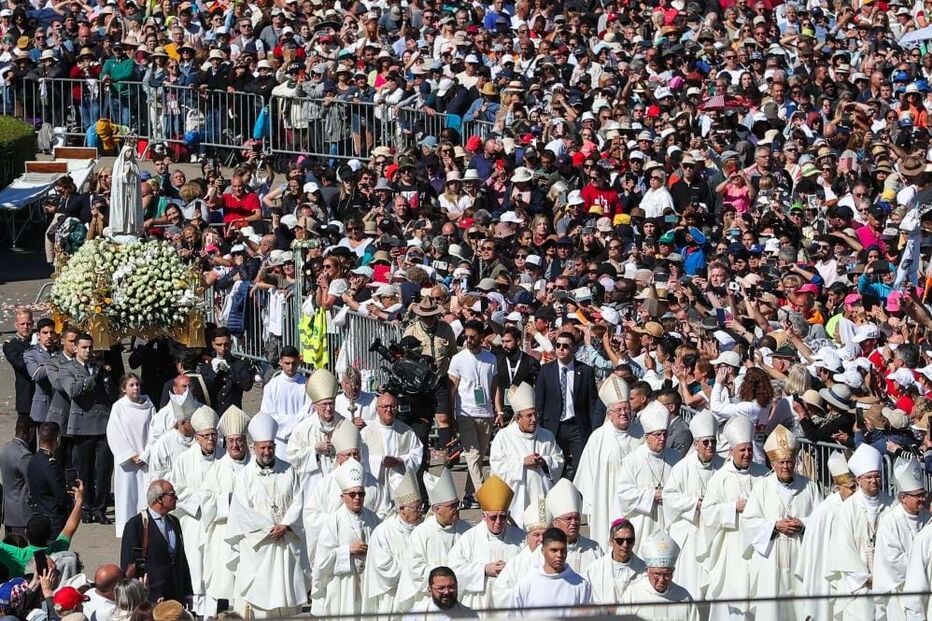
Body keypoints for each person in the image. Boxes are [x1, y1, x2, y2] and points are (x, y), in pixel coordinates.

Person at [227, 413, 309, 618]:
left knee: (289, 603)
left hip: (286, 543)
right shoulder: (244, 477)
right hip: (260, 547)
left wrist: (286, 525)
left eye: (270, 447)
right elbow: (241, 512)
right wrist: (267, 530)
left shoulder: (289, 471)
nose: (267, 451)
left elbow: (299, 501)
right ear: (253, 448)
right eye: (262, 447)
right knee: (260, 605)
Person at [742, 425, 821, 620]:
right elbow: (749, 522)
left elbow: (822, 520)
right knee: (772, 611)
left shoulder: (809, 487)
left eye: (789, 462)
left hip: (801, 556)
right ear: (773, 463)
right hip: (771, 558)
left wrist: (803, 525)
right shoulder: (762, 487)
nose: (786, 466)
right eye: (781, 462)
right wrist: (775, 526)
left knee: (800, 608)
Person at [699, 416, 768, 621]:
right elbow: (708, 512)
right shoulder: (720, 478)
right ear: (731, 451)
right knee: (731, 597)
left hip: (758, 545)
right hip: (732, 546)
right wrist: (732, 508)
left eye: (749, 449)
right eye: (742, 450)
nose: (747, 454)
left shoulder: (763, 475)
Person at [827, 442, 895, 621]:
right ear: (858, 480)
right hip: (858, 585)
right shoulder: (848, 508)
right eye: (869, 477)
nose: (874, 481)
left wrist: (884, 576)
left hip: (887, 582)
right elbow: (844, 548)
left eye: (877, 476)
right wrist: (865, 578)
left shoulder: (891, 505)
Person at [661, 410, 723, 601]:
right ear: (696, 444)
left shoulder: (723, 466)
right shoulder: (682, 467)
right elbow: (669, 496)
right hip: (692, 533)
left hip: (716, 533)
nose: (710, 445)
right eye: (706, 442)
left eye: (713, 441)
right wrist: (694, 503)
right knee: (692, 582)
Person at [574, 376, 644, 544]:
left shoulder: (641, 434)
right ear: (609, 414)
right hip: (606, 499)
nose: (623, 413)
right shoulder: (598, 437)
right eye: (618, 410)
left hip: (636, 500)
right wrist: (590, 505)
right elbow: (587, 474)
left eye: (626, 408)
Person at [166, 407, 221, 617]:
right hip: (194, 521)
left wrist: (215, 504)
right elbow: (177, 489)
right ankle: (197, 609)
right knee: (196, 565)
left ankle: (214, 610)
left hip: (218, 521)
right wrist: (204, 502)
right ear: (197, 437)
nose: (210, 439)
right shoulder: (184, 460)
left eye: (213, 435)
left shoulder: (224, 458)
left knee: (214, 566)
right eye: (206, 436)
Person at [311, 459, 382, 616]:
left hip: (367, 581)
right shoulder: (334, 521)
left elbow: (383, 548)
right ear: (342, 497)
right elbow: (322, 560)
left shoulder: (373, 519)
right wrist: (348, 550)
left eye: (361, 493)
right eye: (352, 494)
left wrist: (371, 551)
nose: (357, 498)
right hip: (343, 585)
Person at [489, 382, 564, 527]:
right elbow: (497, 469)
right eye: (529, 416)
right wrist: (522, 463)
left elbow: (559, 460)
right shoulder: (504, 437)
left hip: (541, 495)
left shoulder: (546, 435)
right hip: (516, 498)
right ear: (518, 418)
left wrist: (544, 461)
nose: (534, 419)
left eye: (535, 414)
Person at [58, 333, 114, 525]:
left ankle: (100, 509)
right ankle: (86, 507)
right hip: (83, 426)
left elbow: (111, 393)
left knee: (104, 470)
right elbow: (73, 391)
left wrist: (106, 378)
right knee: (85, 470)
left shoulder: (99, 367)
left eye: (90, 347)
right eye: (84, 347)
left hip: (103, 424)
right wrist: (92, 378)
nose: (88, 351)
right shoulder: (67, 368)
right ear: (75, 348)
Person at [795, 451, 858, 621]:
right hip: (828, 579)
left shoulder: (858, 506)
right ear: (838, 487)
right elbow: (817, 555)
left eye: (857, 486)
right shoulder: (824, 512)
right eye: (852, 487)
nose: (856, 492)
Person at [396, 468, 470, 613]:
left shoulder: (466, 530)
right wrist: (441, 577)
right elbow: (415, 568)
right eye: (451, 506)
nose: (457, 509)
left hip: (460, 596)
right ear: (437, 509)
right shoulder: (421, 533)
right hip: (430, 599)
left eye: (457, 504)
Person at [447, 475, 524, 610]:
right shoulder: (469, 538)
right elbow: (454, 568)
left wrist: (511, 570)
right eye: (493, 517)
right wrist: (484, 569)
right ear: (483, 516)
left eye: (503, 516)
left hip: (511, 604)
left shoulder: (521, 537)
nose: (498, 522)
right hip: (480, 604)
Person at [201, 406, 251, 612]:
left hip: (250, 535)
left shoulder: (254, 466)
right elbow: (206, 501)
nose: (235, 445)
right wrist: (229, 500)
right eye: (231, 441)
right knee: (224, 585)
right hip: (224, 535)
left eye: (239, 440)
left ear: (245, 441)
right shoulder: (217, 468)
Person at [615, 401, 681, 556]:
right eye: (658, 435)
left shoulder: (676, 458)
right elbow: (624, 494)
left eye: (665, 434)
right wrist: (652, 496)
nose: (662, 438)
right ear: (647, 437)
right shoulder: (632, 460)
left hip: (669, 519)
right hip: (644, 522)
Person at [534, 331, 599, 480]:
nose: (561, 349)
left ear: (573, 348)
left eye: (565, 346)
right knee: (555, 466)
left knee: (582, 465)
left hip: (577, 426)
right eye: (558, 345)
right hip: (553, 426)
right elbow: (539, 402)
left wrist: (593, 429)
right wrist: (539, 427)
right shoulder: (546, 370)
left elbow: (592, 403)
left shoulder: (585, 371)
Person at [448, 320, 499, 507]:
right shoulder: (458, 359)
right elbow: (452, 388)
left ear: (481, 337)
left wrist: (498, 409)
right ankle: (483, 494)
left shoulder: (490, 358)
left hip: (486, 413)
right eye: (466, 337)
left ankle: (469, 494)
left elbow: (495, 386)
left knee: (478, 458)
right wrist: (451, 415)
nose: (468, 340)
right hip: (465, 413)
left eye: (472, 337)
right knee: (473, 454)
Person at [119, 480, 193, 603]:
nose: (176, 498)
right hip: (151, 596)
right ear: (159, 499)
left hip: (176, 594)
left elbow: (181, 559)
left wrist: (187, 593)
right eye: (172, 495)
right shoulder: (136, 525)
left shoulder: (174, 522)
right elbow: (129, 563)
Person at [874, 456, 929, 621]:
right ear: (903, 497)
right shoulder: (890, 522)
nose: (923, 499)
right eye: (918, 496)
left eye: (923, 494)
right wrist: (921, 564)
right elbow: (892, 560)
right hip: (901, 591)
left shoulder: (928, 517)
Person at [362, 469, 424, 617]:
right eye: (416, 508)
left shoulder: (423, 528)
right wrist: (415, 570)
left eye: (421, 506)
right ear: (402, 509)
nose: (420, 511)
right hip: (392, 596)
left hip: (418, 594)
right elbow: (384, 567)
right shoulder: (383, 532)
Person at [0, 478, 84, 578]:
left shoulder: (16, 554)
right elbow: (69, 528)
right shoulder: (56, 550)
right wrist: (79, 501)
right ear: (50, 534)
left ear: (26, 532)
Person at [106, 373, 155, 538]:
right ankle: (127, 531)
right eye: (131, 385)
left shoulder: (149, 405)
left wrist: (146, 454)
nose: (136, 388)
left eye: (137, 384)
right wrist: (131, 455)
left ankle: (146, 529)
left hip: (145, 459)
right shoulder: (119, 407)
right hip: (127, 462)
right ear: (123, 389)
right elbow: (114, 433)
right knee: (127, 496)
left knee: (145, 494)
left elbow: (154, 431)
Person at [618, 530, 699, 621]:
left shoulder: (683, 597)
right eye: (657, 574)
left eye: (667, 574)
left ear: (673, 571)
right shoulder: (632, 595)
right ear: (647, 571)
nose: (662, 580)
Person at [511, 528, 592, 612]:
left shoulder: (581, 585)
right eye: (554, 550)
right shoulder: (526, 585)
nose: (559, 555)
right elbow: (515, 616)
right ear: (543, 551)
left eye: (563, 551)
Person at [360, 392, 424, 497]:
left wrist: (401, 460)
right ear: (377, 410)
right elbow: (361, 458)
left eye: (392, 407)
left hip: (400, 483)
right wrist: (381, 461)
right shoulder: (366, 432)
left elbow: (417, 453)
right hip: (376, 484)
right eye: (385, 407)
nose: (389, 410)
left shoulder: (406, 431)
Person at [287, 369, 345, 481]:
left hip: (339, 482)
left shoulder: (344, 425)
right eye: (324, 404)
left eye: (331, 403)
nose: (328, 408)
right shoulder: (303, 428)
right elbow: (292, 458)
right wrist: (315, 449)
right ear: (315, 406)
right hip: (313, 483)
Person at [493, 500, 553, 607]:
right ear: (528, 537)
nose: (541, 539)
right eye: (536, 535)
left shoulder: (559, 560)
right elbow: (500, 595)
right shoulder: (515, 564)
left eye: (546, 534)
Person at [259, 346, 309, 457]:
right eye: (287, 363)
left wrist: (294, 428)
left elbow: (309, 411)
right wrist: (292, 426)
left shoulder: (307, 385)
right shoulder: (271, 386)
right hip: (279, 440)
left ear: (299, 361)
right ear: (280, 362)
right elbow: (268, 415)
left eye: (294, 363)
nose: (290, 367)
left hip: (301, 438)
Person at [545, 479, 603, 574]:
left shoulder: (593, 548)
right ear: (555, 522)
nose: (573, 522)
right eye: (568, 519)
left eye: (576, 518)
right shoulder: (545, 550)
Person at [584, 518, 646, 604]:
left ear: (634, 541)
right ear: (611, 541)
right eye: (620, 540)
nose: (625, 545)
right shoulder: (594, 570)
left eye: (629, 540)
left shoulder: (644, 570)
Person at [26, 422, 71, 536]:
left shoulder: (33, 460)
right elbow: (61, 496)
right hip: (52, 519)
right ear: (57, 439)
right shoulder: (51, 465)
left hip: (38, 514)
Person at [197, 329, 254, 413]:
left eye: (226, 344)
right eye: (219, 345)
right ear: (213, 344)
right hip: (214, 413)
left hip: (233, 413)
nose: (223, 348)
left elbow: (246, 386)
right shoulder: (207, 366)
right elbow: (203, 389)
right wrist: (214, 373)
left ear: (231, 343)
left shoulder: (240, 364)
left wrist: (229, 371)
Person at [146, 404, 202, 482]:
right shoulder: (163, 444)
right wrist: (183, 474)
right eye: (192, 422)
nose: (196, 424)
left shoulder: (199, 439)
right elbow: (156, 476)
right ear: (183, 423)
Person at [0, 416, 35, 536]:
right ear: (31, 431)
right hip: (22, 516)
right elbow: (32, 487)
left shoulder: (5, 449)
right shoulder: (24, 456)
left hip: (8, 513)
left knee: (10, 546)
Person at [402, 567, 477, 621]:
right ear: (430, 590)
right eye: (441, 588)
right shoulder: (415, 616)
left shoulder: (470, 615)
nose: (447, 592)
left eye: (451, 587)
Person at [150, 375, 201, 446]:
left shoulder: (202, 410)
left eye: (189, 386)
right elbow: (154, 440)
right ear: (175, 389)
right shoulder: (163, 414)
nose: (188, 390)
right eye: (184, 386)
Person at [25, 318, 57, 424]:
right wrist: (55, 361)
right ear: (38, 335)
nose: (49, 336)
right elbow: (36, 375)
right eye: (45, 333)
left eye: (51, 332)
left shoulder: (60, 352)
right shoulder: (31, 354)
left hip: (60, 407)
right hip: (43, 407)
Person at [4, 308, 35, 418]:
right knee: (25, 428)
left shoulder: (40, 339)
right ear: (16, 325)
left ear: (33, 324)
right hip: (26, 396)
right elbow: (19, 363)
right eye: (22, 324)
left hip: (44, 396)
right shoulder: (11, 345)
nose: (26, 327)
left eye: (29, 323)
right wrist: (34, 348)